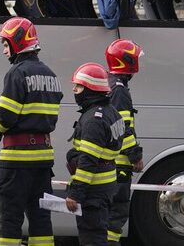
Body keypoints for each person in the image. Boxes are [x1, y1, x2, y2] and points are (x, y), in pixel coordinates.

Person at [0, 17, 63, 246]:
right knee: (41, 217)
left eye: (5, 45)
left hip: (17, 160)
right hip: (43, 159)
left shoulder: (17, 73)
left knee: (10, 218)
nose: (4, 51)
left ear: (18, 43)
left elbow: (6, 117)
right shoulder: (51, 75)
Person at [66, 62, 124, 246]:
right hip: (106, 187)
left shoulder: (93, 120)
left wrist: (75, 194)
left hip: (93, 192)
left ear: (90, 89)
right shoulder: (112, 112)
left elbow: (88, 160)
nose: (74, 90)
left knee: (92, 239)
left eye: (78, 86)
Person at [104, 39, 144, 245]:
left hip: (111, 163)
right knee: (117, 212)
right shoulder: (119, 90)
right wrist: (135, 156)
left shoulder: (111, 84)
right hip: (120, 164)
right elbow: (123, 128)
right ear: (127, 61)